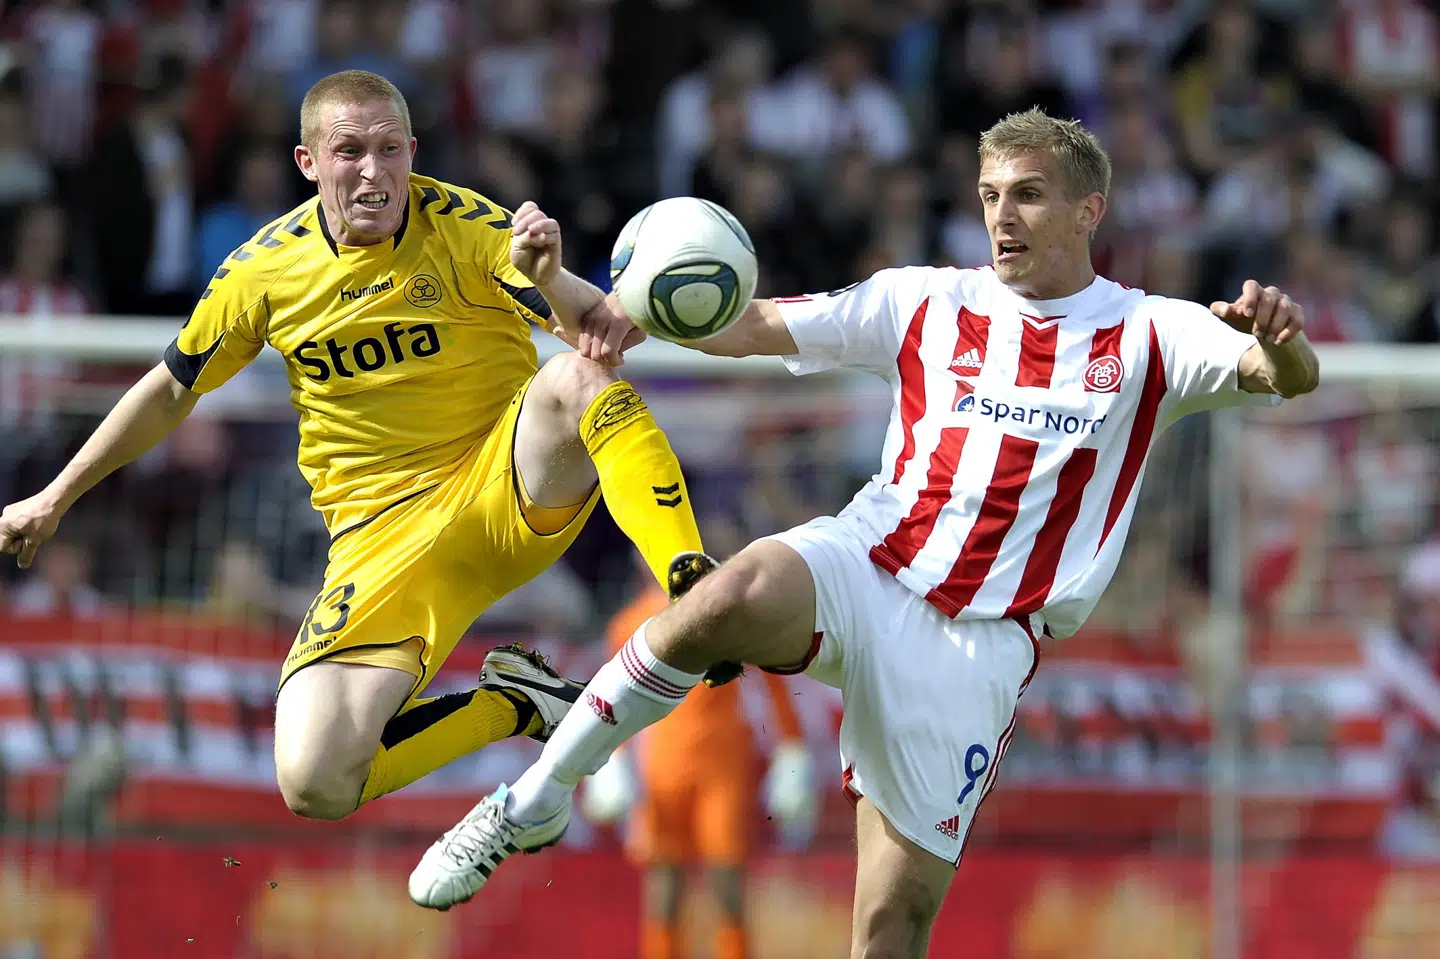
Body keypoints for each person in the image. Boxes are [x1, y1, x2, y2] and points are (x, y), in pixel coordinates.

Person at [408, 107, 1321, 954]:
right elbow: (733, 328)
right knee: (722, 595)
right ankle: (532, 798)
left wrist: (1279, 336)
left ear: (1091, 209)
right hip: (866, 564)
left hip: (975, 649)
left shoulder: (1151, 331)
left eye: (1030, 195)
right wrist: (557, 281)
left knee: (889, 926)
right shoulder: (922, 300)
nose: (1003, 216)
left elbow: (1285, 376)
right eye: (991, 196)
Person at [0, 70, 710, 826]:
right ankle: (513, 702)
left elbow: (596, 334)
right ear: (308, 163)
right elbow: (172, 389)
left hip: (505, 480)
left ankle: (690, 581)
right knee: (314, 779)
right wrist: (54, 496)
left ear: (412, 150)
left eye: (388, 150)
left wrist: (554, 278)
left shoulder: (470, 225)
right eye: (349, 152)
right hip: (380, 543)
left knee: (576, 378)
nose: (373, 173)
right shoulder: (262, 272)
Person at [583, 548, 816, 959]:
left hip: (721, 766)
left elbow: (775, 683)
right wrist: (612, 759)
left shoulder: (727, 613)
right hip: (662, 765)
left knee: (727, 879)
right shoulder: (629, 623)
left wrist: (791, 752)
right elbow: (612, 697)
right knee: (664, 882)